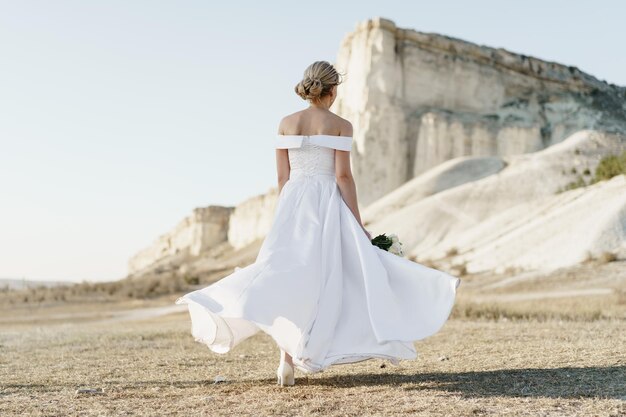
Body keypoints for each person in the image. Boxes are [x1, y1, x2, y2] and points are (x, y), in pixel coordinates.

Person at [175, 60, 460, 387]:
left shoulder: (285, 123)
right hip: (325, 203)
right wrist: (356, 221)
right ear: (333, 89)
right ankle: (316, 346)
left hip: (293, 201)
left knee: (289, 274)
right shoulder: (341, 125)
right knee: (330, 276)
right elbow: (342, 176)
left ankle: (286, 359)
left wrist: (286, 213)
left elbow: (283, 177)